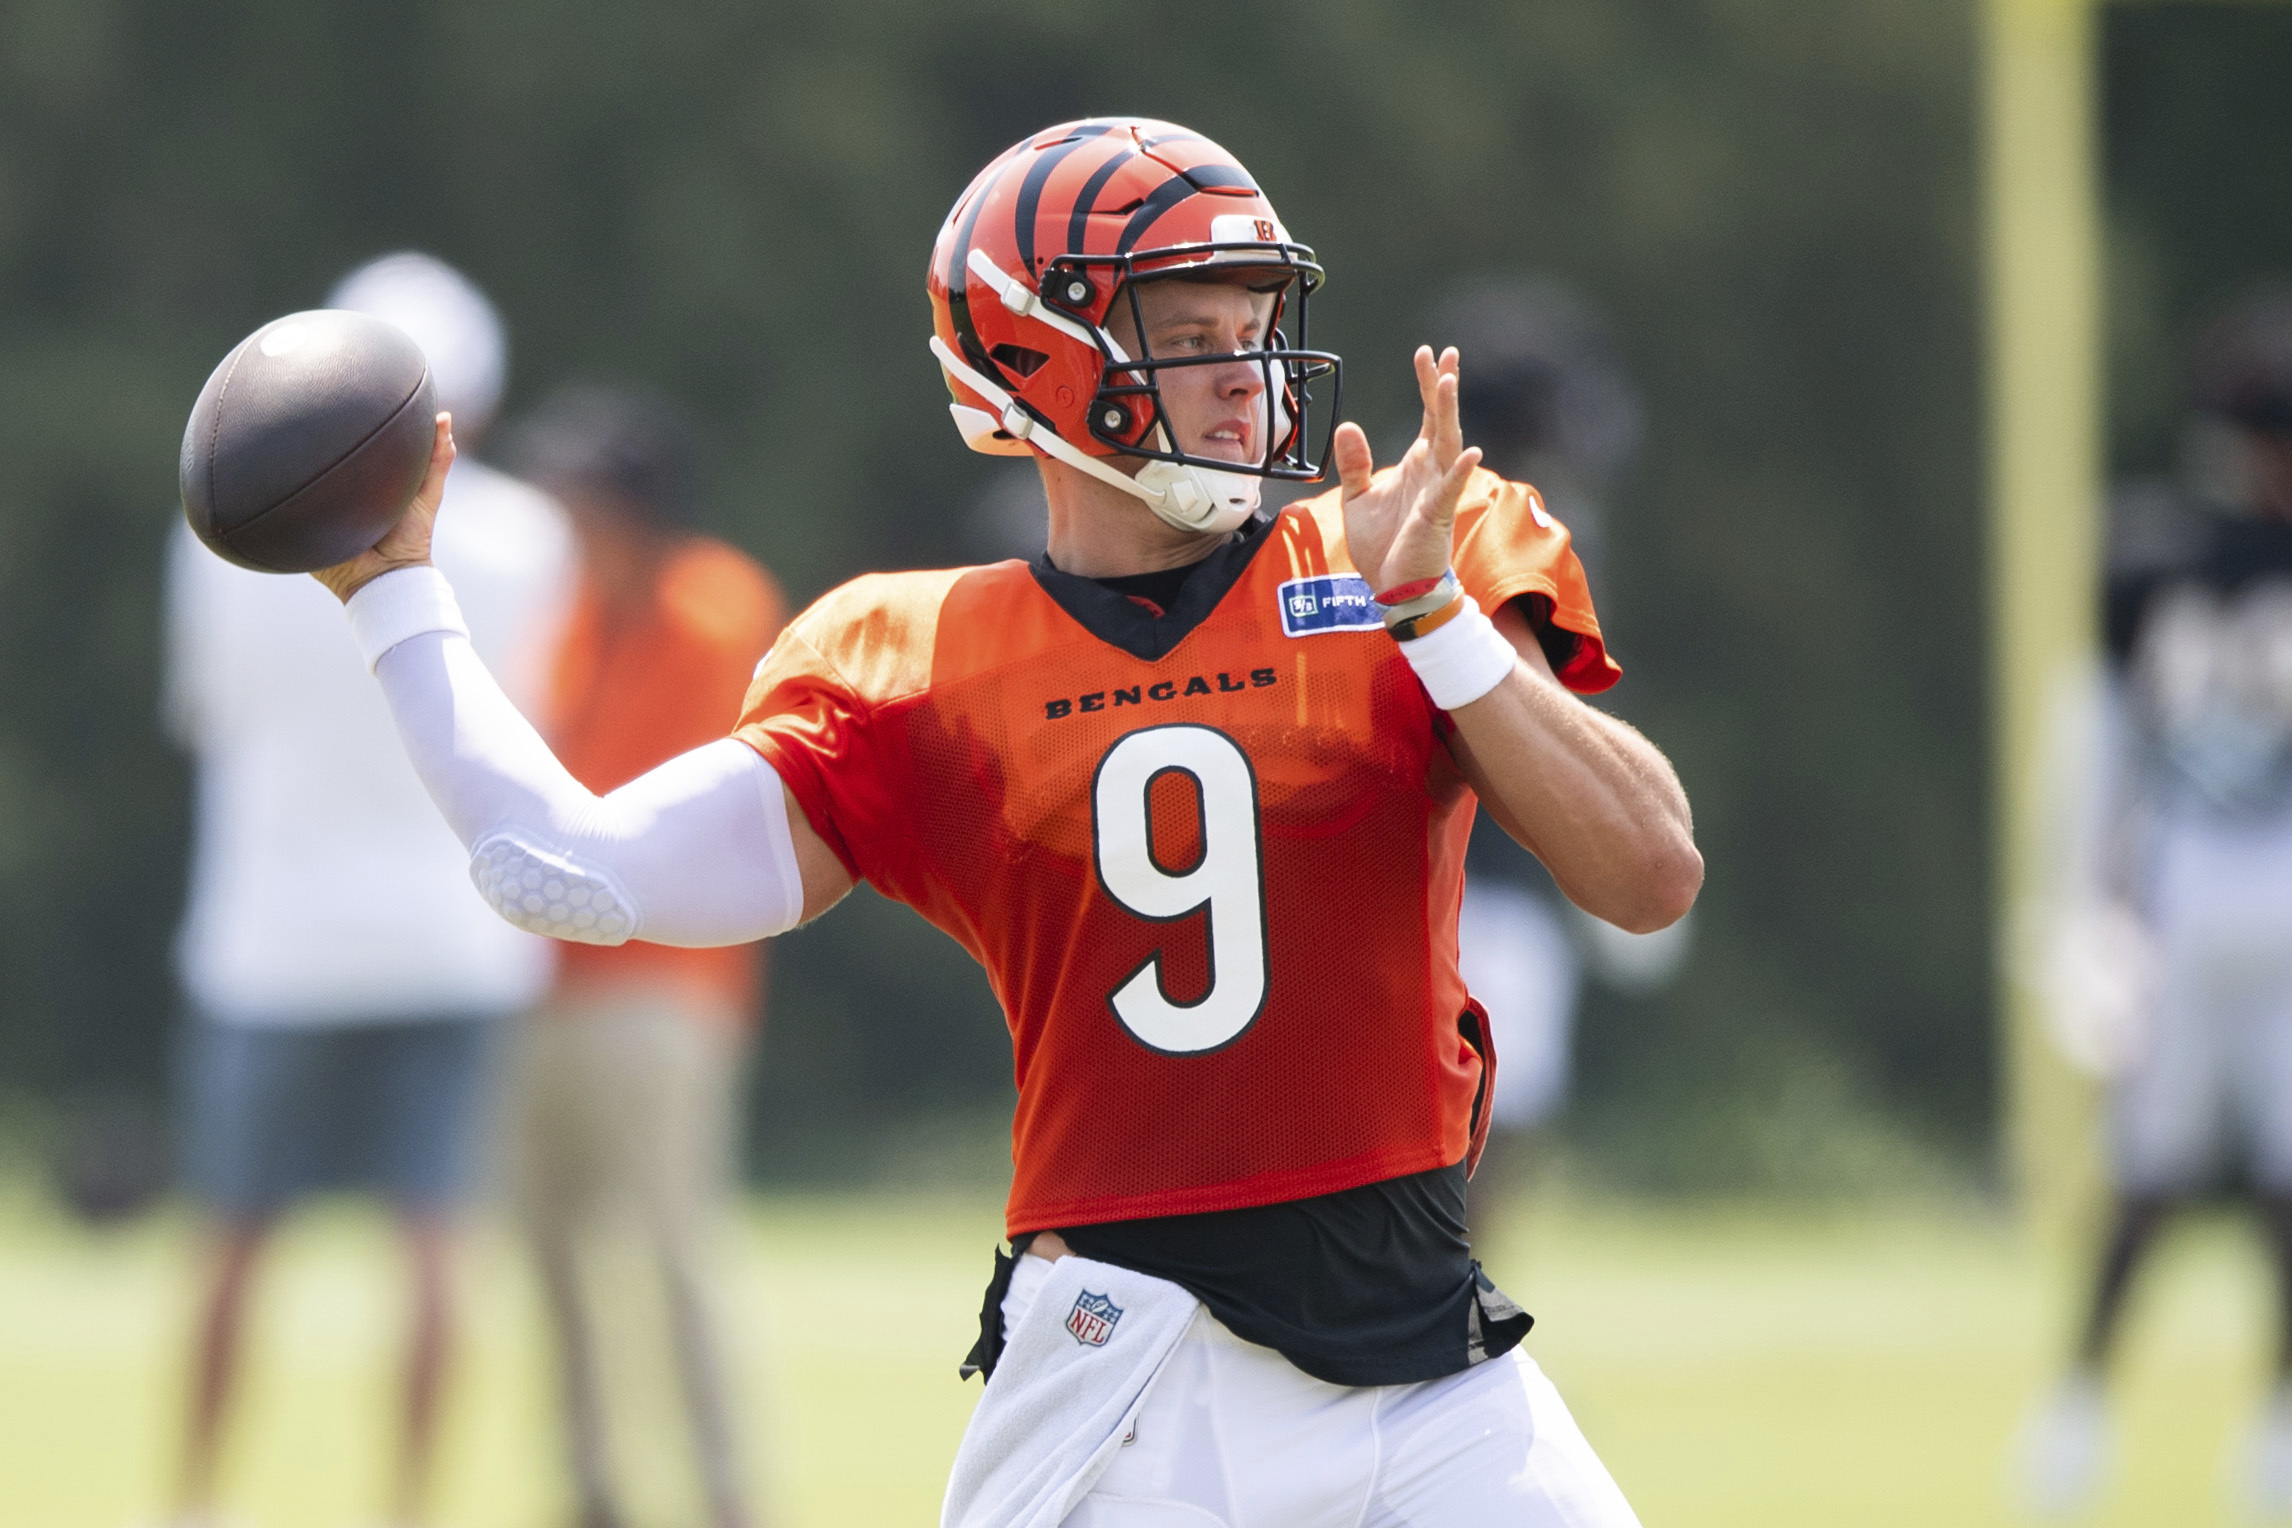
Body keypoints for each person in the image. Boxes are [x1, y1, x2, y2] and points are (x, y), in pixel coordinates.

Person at [304, 119, 1700, 1523]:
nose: (1244, 370)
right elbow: (570, 871)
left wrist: (1436, 620)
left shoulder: (1403, 549)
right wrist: (395, 597)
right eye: (1190, 326)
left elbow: (1649, 875)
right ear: (1041, 355)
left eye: (1253, 321)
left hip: (1432, 1369)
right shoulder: (915, 658)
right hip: (1134, 1384)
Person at [163, 252, 573, 1528]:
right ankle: (409, 1508)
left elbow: (204, 711)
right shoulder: (527, 537)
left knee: (231, 1235)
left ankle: (192, 1501)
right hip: (459, 929)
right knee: (437, 1239)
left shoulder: (225, 540)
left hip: (267, 935)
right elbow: (529, 729)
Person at [2020, 288, 2292, 1516]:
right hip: (2192, 890)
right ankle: (2078, 1412)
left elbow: (2090, 754)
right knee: (2151, 1174)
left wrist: (2069, 905)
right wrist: (2076, 908)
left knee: (2190, 1179)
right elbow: (2100, 748)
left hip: (2201, 885)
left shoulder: (2149, 547)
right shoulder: (2155, 554)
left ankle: (2138, 1420)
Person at [500, 385, 785, 1528]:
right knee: (549, 1252)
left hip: (667, 982)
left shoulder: (715, 607)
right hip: (543, 983)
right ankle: (591, 1491)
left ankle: (725, 1495)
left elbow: (621, 790)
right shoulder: (554, 612)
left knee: (675, 1250)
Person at [1427, 280, 1693, 1237]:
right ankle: (1435, 1306)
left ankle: (1442, 1303)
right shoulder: (1475, 523)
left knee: (1491, 1130)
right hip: (1465, 874)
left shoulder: (1528, 520)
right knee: (1478, 1135)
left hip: (1500, 878)